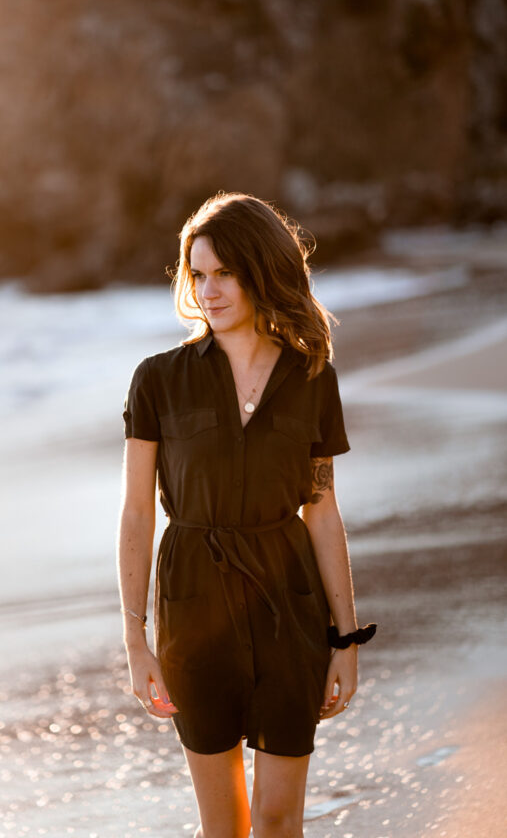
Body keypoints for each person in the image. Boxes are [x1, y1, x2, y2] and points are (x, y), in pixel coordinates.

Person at [117, 191, 375, 838]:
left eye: (225, 273)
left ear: (261, 270)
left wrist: (343, 641)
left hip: (287, 607)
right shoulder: (157, 380)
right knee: (224, 829)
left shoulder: (312, 379)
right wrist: (134, 640)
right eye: (198, 274)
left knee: (279, 821)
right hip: (192, 607)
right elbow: (136, 516)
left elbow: (321, 511)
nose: (208, 289)